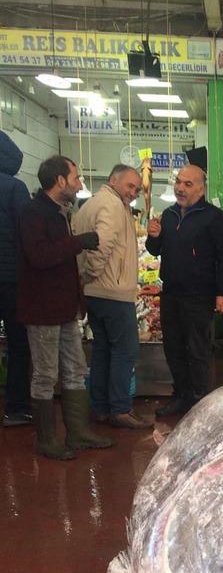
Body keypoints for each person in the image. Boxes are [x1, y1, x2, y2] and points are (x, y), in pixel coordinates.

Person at [17, 155, 113, 460]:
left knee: (75, 369)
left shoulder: (61, 213)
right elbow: (39, 256)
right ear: (60, 180)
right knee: (45, 374)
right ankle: (47, 440)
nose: (79, 183)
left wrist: (78, 299)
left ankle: (78, 431)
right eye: (76, 178)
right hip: (43, 309)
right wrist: (80, 242)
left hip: (66, 307)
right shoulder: (34, 213)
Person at [146, 165, 223, 416]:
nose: (180, 188)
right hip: (171, 293)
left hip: (199, 295)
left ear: (201, 189)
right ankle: (180, 395)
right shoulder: (169, 214)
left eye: (188, 184)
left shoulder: (214, 217)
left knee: (197, 350)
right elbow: (155, 250)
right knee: (173, 348)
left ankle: (199, 401)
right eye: (179, 182)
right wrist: (154, 237)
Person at [74, 164, 149, 429]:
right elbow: (101, 246)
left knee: (103, 349)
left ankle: (100, 407)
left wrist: (86, 279)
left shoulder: (91, 204)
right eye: (129, 186)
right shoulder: (113, 206)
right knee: (125, 349)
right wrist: (91, 274)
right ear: (113, 180)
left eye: (137, 188)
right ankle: (120, 408)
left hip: (95, 292)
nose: (133, 192)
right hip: (112, 292)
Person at [0, 131, 32, 427]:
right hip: (11, 280)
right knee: (18, 343)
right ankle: (16, 407)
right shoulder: (15, 188)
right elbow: (28, 235)